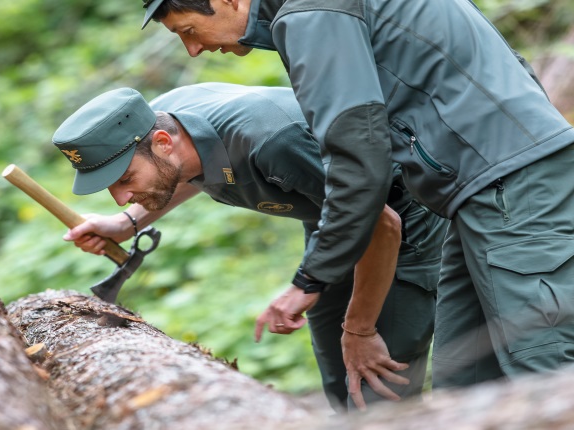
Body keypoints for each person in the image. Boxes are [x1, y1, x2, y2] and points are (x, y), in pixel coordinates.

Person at [140, 0, 574, 393]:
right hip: (474, 191)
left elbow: (357, 160)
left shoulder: (312, 15)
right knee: (465, 383)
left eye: (188, 31)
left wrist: (310, 280)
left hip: (510, 184)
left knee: (544, 364)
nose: (192, 51)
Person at [52, 82, 447, 411]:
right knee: (337, 370)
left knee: (376, 384)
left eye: (125, 180)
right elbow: (182, 175)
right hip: (330, 216)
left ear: (161, 142)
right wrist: (127, 223)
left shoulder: (273, 142)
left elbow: (380, 223)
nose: (121, 198)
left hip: (401, 213)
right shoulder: (163, 127)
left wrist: (360, 328)